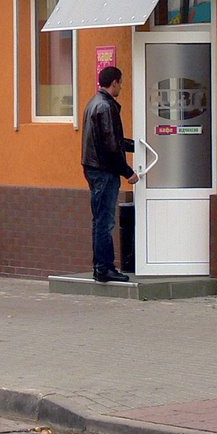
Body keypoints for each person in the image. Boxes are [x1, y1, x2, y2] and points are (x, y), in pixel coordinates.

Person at [81, 66, 139, 283]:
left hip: (94, 168)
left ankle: (100, 267)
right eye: (121, 83)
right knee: (105, 221)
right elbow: (111, 145)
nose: (121, 87)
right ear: (114, 82)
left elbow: (108, 140)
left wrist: (135, 145)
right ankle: (105, 268)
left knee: (99, 220)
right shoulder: (106, 107)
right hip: (104, 171)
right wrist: (128, 172)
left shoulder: (93, 103)